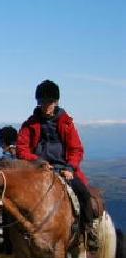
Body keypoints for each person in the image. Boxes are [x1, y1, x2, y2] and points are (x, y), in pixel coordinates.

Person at [16, 79, 97, 245]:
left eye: (49, 102)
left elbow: (76, 149)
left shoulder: (66, 123)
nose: (46, 105)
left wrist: (70, 168)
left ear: (56, 102)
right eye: (42, 102)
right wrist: (37, 161)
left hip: (64, 168)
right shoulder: (29, 124)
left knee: (83, 192)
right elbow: (21, 149)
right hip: (37, 169)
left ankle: (89, 229)